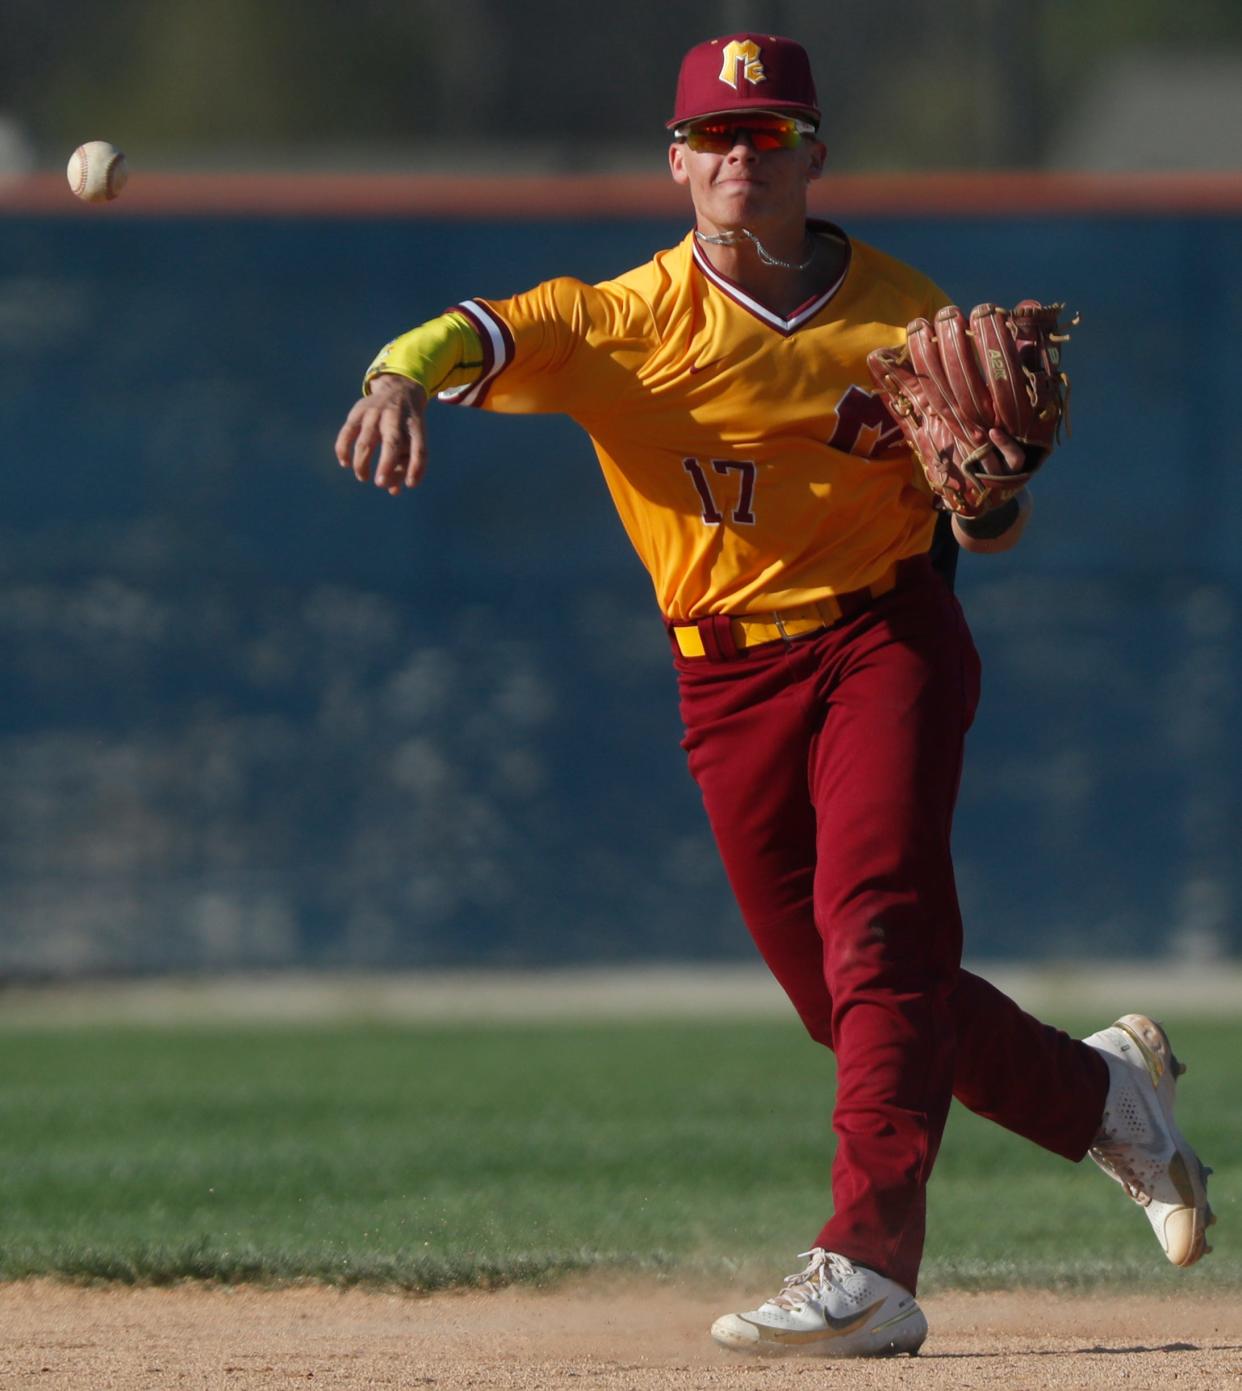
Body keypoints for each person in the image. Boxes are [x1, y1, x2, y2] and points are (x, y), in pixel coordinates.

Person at [334, 32, 1214, 1359]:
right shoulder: (622, 320)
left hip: (883, 640)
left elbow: (987, 536)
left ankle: (865, 1268)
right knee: (843, 999)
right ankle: (1100, 1097)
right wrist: (394, 376)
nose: (738, 159)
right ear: (675, 162)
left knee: (877, 937)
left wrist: (993, 493)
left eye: (768, 135)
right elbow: (471, 330)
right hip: (725, 677)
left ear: (812, 155)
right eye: (714, 139)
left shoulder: (900, 317)